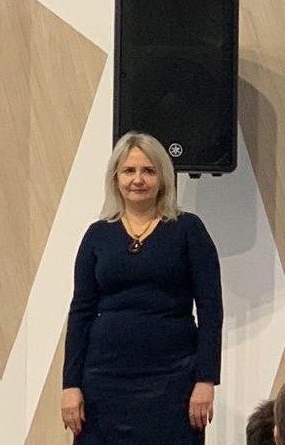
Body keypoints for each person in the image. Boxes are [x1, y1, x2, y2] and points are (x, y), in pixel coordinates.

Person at [60, 131, 223, 444]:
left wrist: (206, 380)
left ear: (163, 178)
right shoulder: (97, 235)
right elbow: (80, 312)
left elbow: (211, 309)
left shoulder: (189, 230)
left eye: (148, 171)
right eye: (129, 171)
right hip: (103, 383)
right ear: (116, 177)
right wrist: (70, 385)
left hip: (173, 381)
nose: (138, 179)